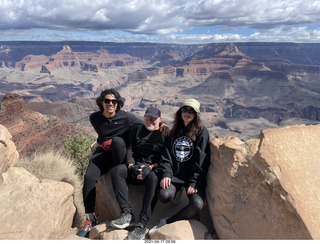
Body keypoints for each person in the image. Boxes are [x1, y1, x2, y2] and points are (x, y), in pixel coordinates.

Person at [76, 89, 168, 237]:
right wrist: (102, 143)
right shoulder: (95, 118)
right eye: (107, 101)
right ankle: (90, 219)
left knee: (118, 142)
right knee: (89, 177)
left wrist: (162, 124)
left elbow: (146, 122)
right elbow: (102, 134)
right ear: (102, 102)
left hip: (120, 154)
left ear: (118, 103)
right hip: (104, 153)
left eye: (114, 101)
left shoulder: (126, 117)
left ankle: (139, 221)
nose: (110, 104)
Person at [149, 98, 210, 234]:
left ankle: (168, 221)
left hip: (192, 179)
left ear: (196, 115)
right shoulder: (175, 131)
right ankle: (176, 194)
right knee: (164, 195)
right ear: (180, 111)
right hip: (176, 176)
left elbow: (202, 160)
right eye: (185, 110)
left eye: (191, 111)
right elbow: (167, 156)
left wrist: (194, 182)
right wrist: (166, 174)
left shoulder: (202, 132)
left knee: (197, 205)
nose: (187, 113)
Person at [110, 107, 165, 240]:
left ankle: (142, 225)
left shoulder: (165, 134)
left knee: (154, 179)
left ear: (160, 120)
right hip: (135, 167)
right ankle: (127, 214)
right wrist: (130, 165)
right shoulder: (136, 129)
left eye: (153, 119)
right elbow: (130, 149)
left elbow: (165, 158)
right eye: (147, 118)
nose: (150, 121)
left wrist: (150, 167)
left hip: (151, 169)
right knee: (117, 171)